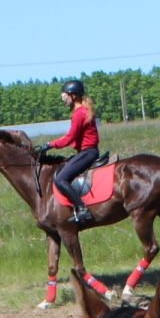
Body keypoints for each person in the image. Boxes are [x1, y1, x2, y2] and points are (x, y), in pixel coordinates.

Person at [38, 78, 100, 226]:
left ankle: (82, 209)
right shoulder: (82, 111)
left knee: (60, 179)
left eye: (65, 95)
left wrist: (49, 145)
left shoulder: (79, 114)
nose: (63, 99)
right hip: (85, 152)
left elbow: (69, 138)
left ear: (73, 95)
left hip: (87, 153)